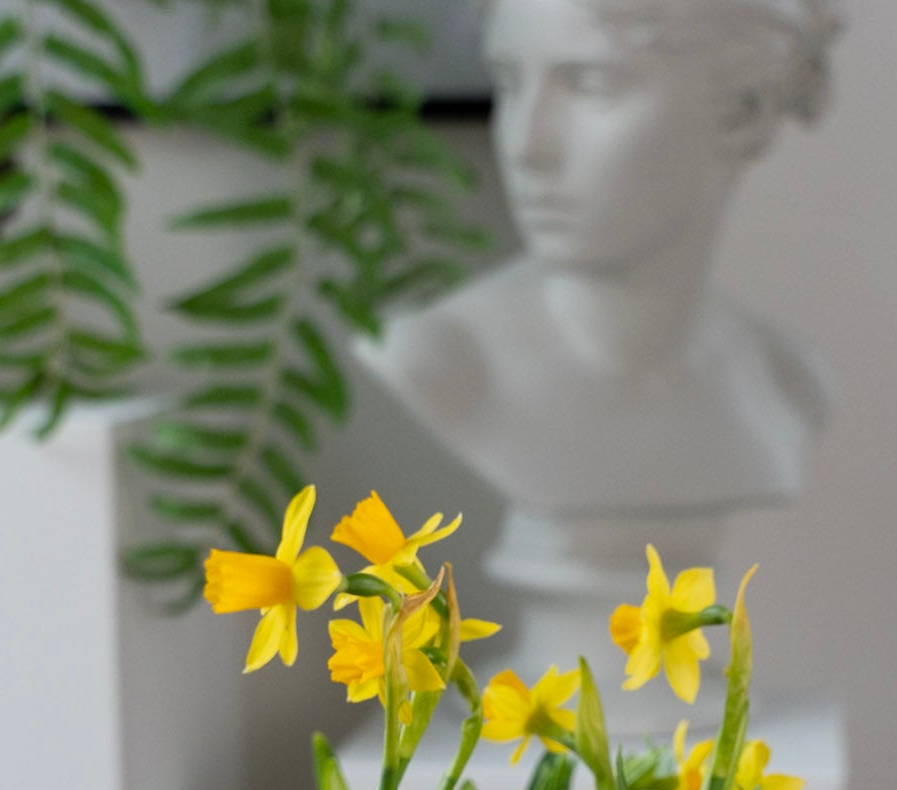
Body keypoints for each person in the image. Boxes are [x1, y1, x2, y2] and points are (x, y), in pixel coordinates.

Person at [359, 0, 840, 691]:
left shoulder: (789, 385)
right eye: (509, 85)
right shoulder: (440, 364)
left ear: (744, 112)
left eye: (590, 85)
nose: (527, 145)